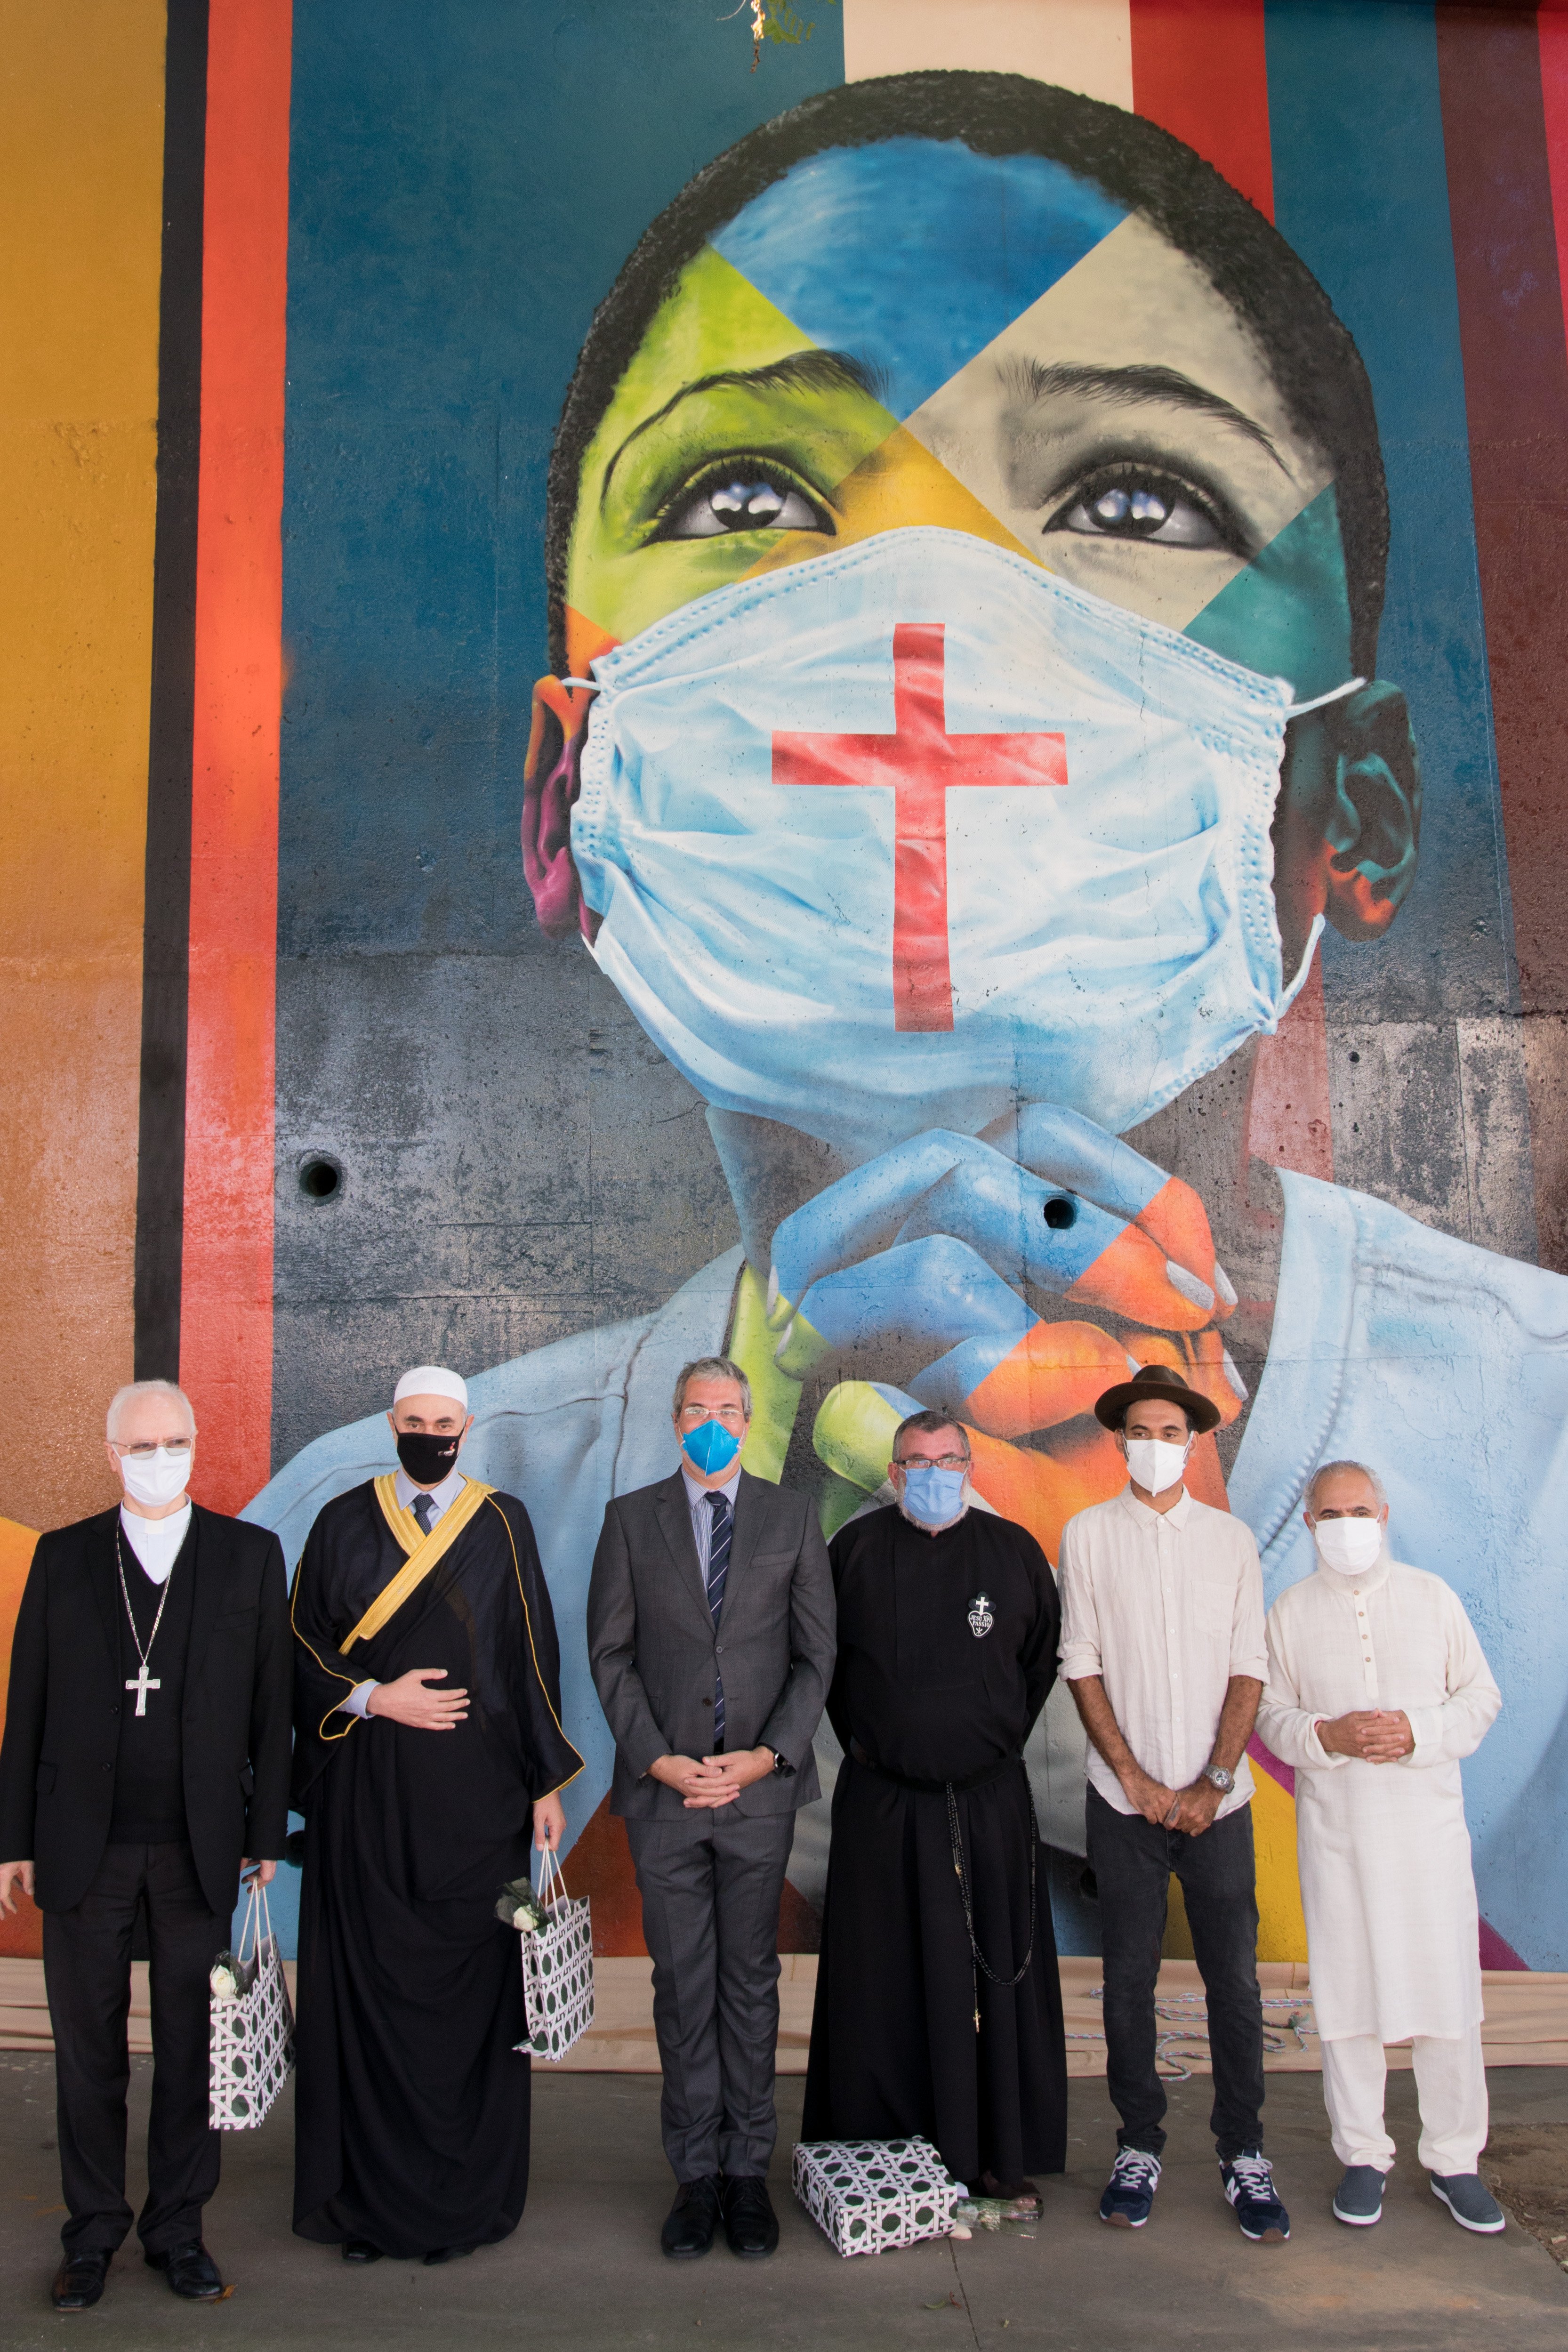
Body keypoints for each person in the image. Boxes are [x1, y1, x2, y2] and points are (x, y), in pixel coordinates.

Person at [249, 71, 1566, 1978]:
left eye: (1132, 493)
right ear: (568, 802)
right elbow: (322, 1986)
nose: (923, 629)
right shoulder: (386, 1537)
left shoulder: (1542, 1468)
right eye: (749, 494)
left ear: (1346, 798)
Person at [0, 1379, 290, 2312]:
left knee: (193, 2045)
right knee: (89, 2052)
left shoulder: (250, 1555)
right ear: (111, 1451)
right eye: (142, 1443)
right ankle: (91, 2235)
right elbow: (27, 1705)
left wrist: (265, 1835)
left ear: (197, 1444)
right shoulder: (64, 1555)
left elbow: (272, 1708)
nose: (161, 1455)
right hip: (81, 1847)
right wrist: (12, 1838)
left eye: (176, 1439)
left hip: (201, 1848)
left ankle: (177, 2227)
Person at [288, 1364, 582, 2265]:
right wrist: (376, 1699)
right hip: (367, 1801)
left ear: (468, 1426)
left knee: (467, 2008)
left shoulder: (501, 1521)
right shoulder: (341, 1522)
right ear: (391, 1424)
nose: (429, 1434)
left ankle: (465, 2200)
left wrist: (547, 1782)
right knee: (369, 1996)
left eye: (444, 1422)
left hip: (477, 1807)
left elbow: (533, 1653)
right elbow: (297, 1647)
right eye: (414, 1420)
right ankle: (367, 2205)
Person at [587, 1355, 834, 2260]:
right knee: (683, 1987)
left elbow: (816, 1659)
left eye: (729, 1409)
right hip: (667, 1801)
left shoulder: (789, 1516)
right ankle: (693, 2176)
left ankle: (746, 2174)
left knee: (749, 1986)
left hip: (758, 1797)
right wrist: (658, 1761)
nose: (713, 1422)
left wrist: (768, 1758)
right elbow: (610, 1656)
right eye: (698, 1409)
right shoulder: (629, 1521)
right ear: (675, 1417)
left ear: (749, 1415)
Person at [802, 1410, 1065, 2197]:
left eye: (948, 1459)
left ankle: (993, 2150)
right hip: (885, 1806)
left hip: (987, 1805)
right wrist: (897, 1748)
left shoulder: (1014, 1552)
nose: (933, 1473)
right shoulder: (851, 1552)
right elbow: (830, 1676)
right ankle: (881, 2157)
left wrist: (971, 1743)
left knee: (993, 1982)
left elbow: (1036, 1666)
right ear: (892, 1474)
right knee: (881, 1980)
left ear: (971, 1466)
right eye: (915, 1462)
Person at [1058, 1364, 1287, 2241]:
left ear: (1193, 1442)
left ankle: (1245, 2151)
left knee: (1234, 1980)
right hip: (1124, 1805)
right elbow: (1082, 1662)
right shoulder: (1087, 1535)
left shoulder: (1230, 1541)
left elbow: (1249, 1667)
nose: (1155, 1446)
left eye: (1171, 1432)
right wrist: (1141, 1784)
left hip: (1219, 1809)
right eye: (1141, 1432)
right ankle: (1138, 2143)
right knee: (1128, 1981)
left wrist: (1211, 1784)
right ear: (1119, 1440)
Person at [1256, 1460, 1504, 2235]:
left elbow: (1481, 1697)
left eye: (1359, 1511)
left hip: (1428, 1841)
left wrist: (1419, 1731)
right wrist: (1326, 1735)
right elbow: (1270, 1718)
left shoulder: (1432, 1600)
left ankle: (1455, 2159)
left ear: (1385, 1514)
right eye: (1331, 1515)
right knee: (1349, 2003)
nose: (1347, 1526)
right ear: (1307, 1524)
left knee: (1446, 2002)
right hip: (1340, 1843)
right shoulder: (1289, 1614)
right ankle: (1363, 2155)